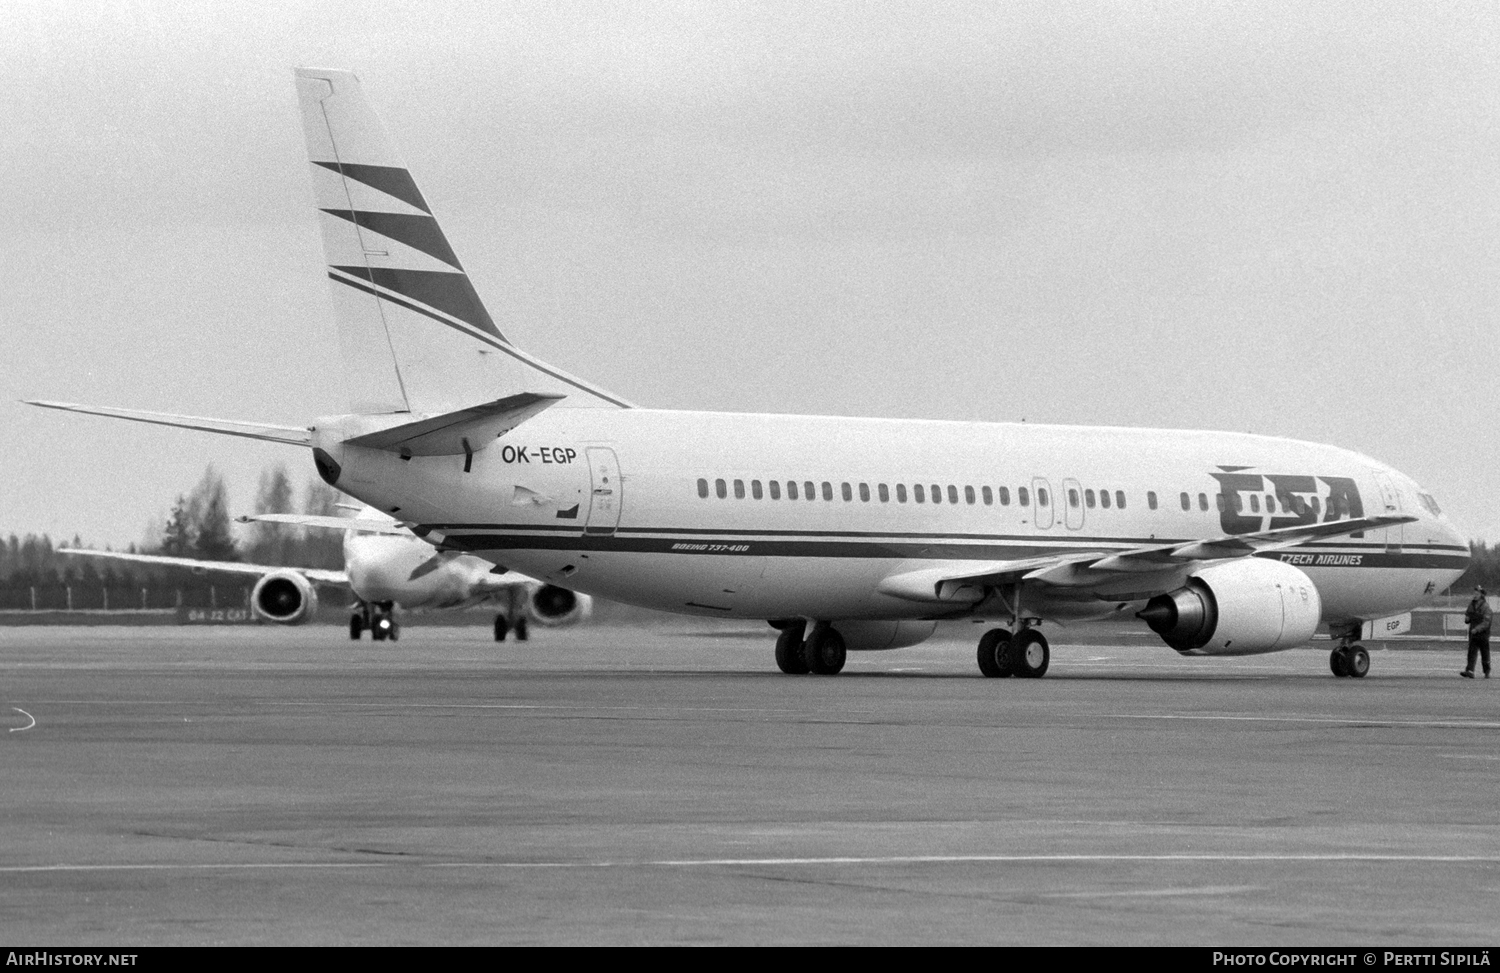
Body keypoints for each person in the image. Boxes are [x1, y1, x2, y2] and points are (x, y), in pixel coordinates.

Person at [1462, 585, 1491, 678]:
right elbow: (1468, 616)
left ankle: (1486, 671)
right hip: (1473, 633)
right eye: (1474, 593)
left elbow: (1486, 622)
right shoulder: (1471, 605)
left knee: (1485, 652)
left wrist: (1477, 629)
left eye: (1477, 593)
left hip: (1482, 634)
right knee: (1471, 652)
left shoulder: (1486, 607)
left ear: (1481, 595)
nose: (1475, 595)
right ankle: (1470, 671)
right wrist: (1467, 619)